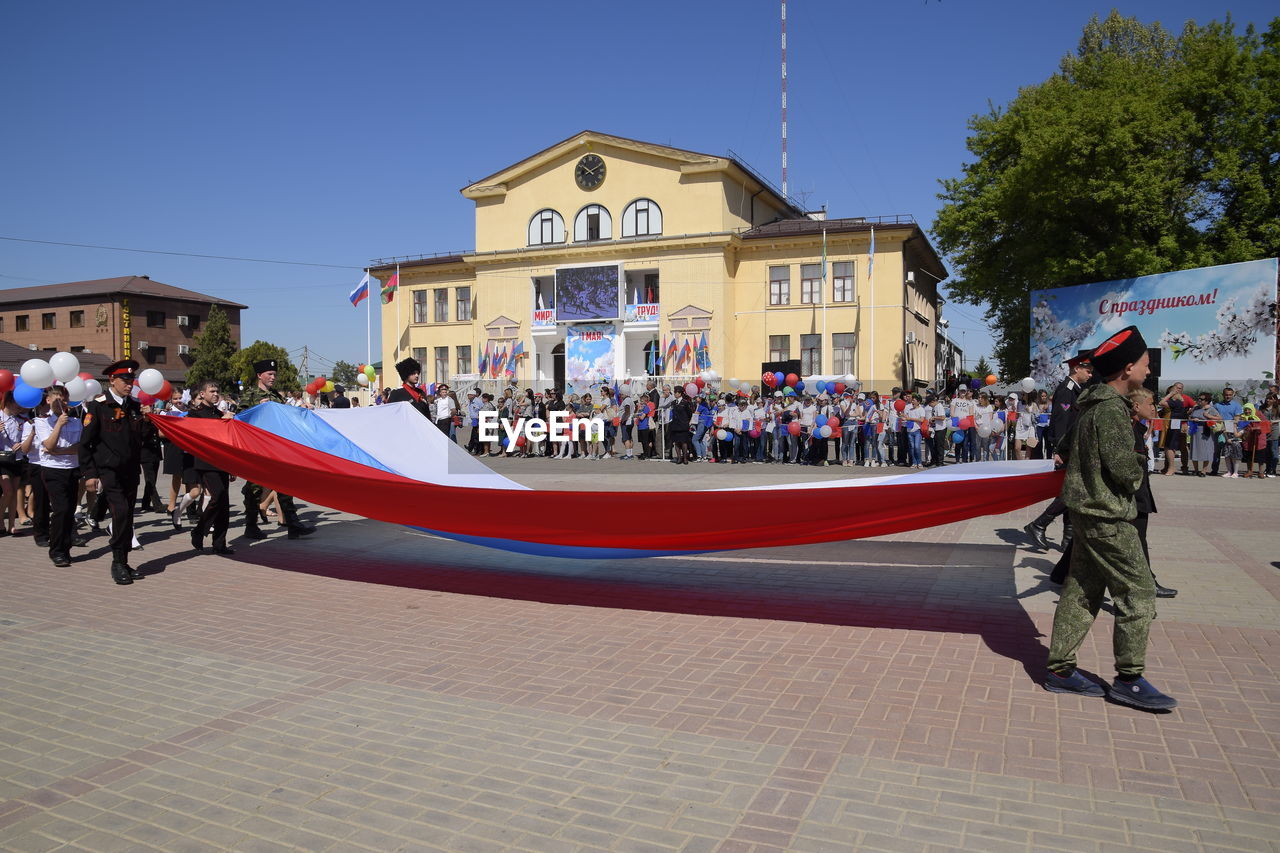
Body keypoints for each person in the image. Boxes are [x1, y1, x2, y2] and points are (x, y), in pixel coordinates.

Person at [1043, 325, 1176, 711]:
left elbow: (1064, 448)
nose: (1148, 372)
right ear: (1127, 368)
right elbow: (1128, 473)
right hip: (1107, 517)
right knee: (1139, 592)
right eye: (1146, 365)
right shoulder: (1113, 412)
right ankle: (1129, 679)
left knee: (1081, 592)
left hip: (1086, 513)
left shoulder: (1089, 406)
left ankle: (1061, 670)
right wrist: (1139, 459)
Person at [79, 359, 147, 585]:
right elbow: (86, 443)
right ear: (112, 380)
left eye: (132, 380)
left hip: (130, 470)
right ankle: (117, 562)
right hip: (108, 470)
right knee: (120, 513)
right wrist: (90, 474)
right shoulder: (98, 405)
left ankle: (124, 560)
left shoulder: (135, 406)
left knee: (127, 517)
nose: (129, 384)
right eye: (125, 380)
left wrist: (147, 421)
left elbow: (140, 438)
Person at [238, 358, 316, 541]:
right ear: (259, 375)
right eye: (269, 374)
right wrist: (258, 408)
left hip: (275, 447)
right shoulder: (250, 394)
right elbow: (240, 418)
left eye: (275, 374)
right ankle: (250, 526)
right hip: (257, 448)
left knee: (284, 484)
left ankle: (293, 524)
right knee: (254, 488)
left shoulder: (276, 395)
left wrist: (300, 408)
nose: (273, 377)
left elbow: (285, 414)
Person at [1024, 350, 1093, 549]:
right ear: (1077, 368)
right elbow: (1061, 423)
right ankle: (1039, 524)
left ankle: (1067, 538)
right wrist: (1060, 450)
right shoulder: (1067, 389)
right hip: (1068, 450)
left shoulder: (1076, 389)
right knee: (1072, 491)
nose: (1090, 375)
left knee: (1071, 491)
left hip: (1073, 449)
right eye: (1087, 371)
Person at [34, 386, 86, 568]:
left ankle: (65, 548)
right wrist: (58, 425)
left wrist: (61, 451)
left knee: (69, 510)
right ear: (48, 400)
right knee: (61, 509)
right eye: (58, 399)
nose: (62, 403)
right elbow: (48, 445)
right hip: (52, 470)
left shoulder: (75, 421)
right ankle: (56, 550)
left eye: (65, 400)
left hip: (72, 468)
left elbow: (79, 447)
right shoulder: (41, 422)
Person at [187, 379, 236, 555]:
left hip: (222, 462)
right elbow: (198, 433)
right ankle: (199, 530)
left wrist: (232, 465)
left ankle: (219, 543)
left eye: (217, 391)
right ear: (202, 394)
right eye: (211, 391)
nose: (215, 394)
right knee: (218, 496)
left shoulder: (219, 412)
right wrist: (221, 423)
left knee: (224, 504)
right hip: (205, 462)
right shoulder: (195, 414)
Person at [1209, 386, 1243, 475]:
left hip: (1231, 432)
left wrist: (1228, 429)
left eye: (1230, 395)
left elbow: (1236, 420)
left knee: (1230, 452)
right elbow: (1212, 416)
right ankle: (1214, 470)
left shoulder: (1237, 405)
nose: (1228, 396)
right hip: (1219, 431)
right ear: (1223, 395)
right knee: (1217, 451)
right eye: (1226, 395)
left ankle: (1232, 471)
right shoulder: (1217, 405)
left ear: (1233, 395)